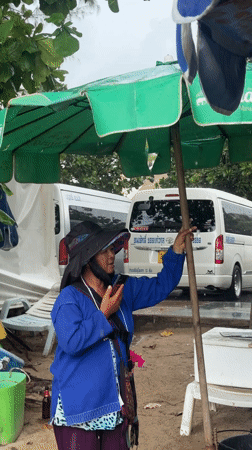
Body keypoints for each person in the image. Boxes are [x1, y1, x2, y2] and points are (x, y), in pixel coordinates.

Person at [50, 220, 196, 450]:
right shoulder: (69, 299)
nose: (112, 255)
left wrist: (176, 250)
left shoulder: (121, 290)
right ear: (88, 258)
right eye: (105, 250)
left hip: (113, 403)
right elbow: (71, 342)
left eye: (112, 249)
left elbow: (161, 285)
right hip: (77, 408)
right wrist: (104, 314)